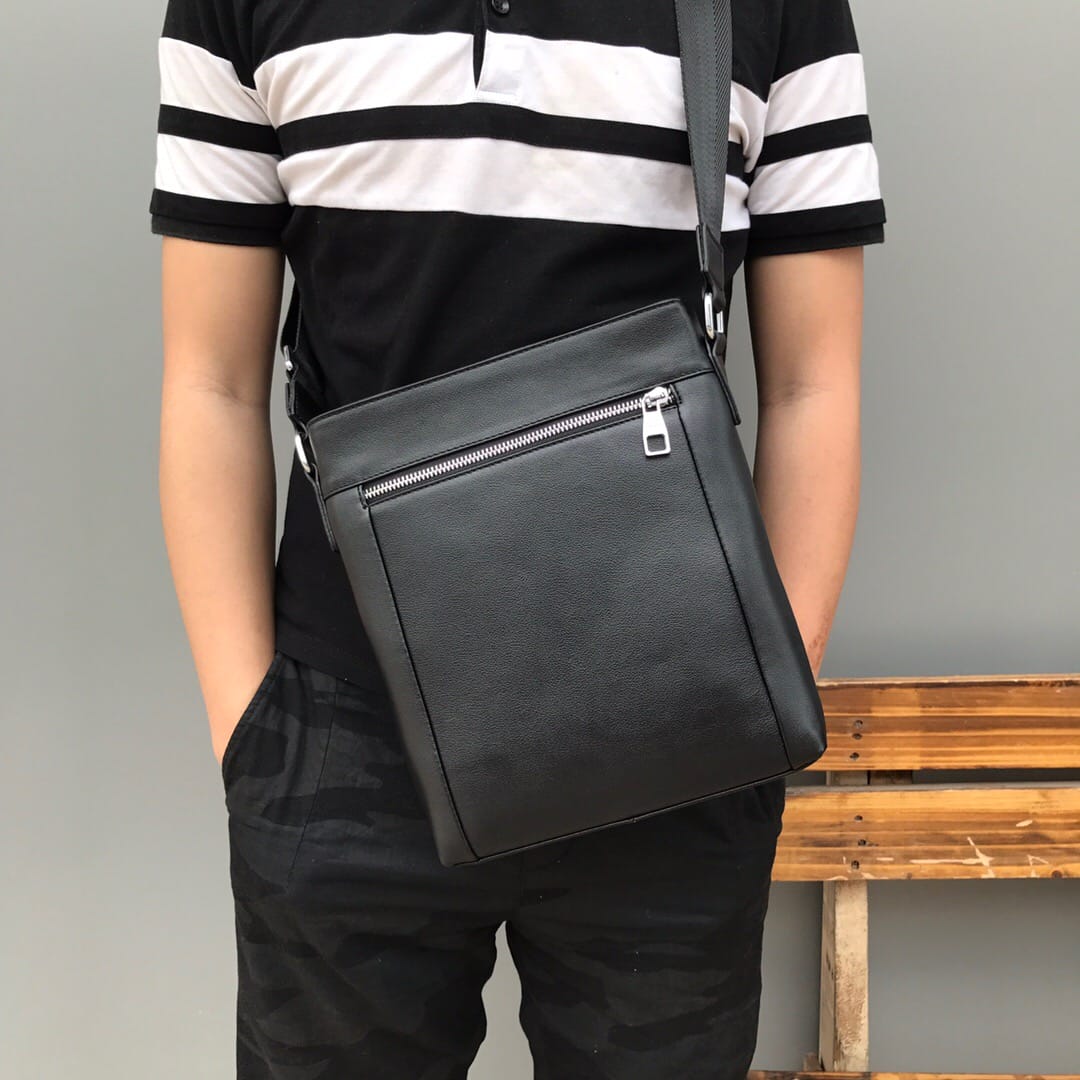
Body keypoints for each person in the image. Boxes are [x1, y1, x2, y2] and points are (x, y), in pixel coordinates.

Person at [150, 0, 885, 1076]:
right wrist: (252, 735)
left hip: (675, 735)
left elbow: (815, 385)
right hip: (346, 735)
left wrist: (760, 710)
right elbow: (209, 383)